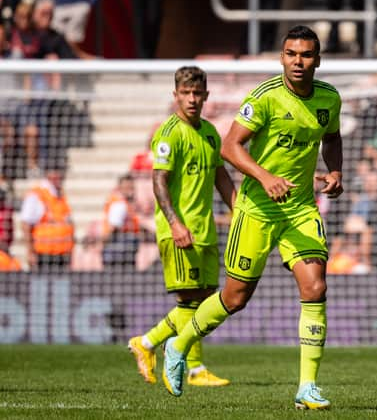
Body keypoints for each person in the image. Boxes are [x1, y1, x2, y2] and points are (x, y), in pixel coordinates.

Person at [161, 26, 343, 410]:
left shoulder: (329, 98)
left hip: (300, 209)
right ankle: (179, 345)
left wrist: (336, 170)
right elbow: (229, 146)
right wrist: (265, 177)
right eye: (291, 54)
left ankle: (306, 387)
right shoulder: (264, 98)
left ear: (318, 59)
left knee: (315, 288)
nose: (298, 61)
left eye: (306, 55)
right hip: (257, 209)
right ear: (282, 57)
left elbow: (333, 137)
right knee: (235, 297)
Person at [127, 66, 236, 388]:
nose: (191, 99)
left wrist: (239, 210)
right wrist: (175, 223)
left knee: (204, 301)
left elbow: (220, 176)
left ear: (206, 96)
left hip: (204, 229)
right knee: (190, 302)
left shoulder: (210, 133)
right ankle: (195, 368)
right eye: (185, 93)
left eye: (196, 93)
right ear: (176, 96)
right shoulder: (170, 132)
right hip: (180, 230)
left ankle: (146, 343)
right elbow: (158, 181)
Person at [19, 159, 74, 271]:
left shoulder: (59, 196)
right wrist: (30, 252)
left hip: (62, 255)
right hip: (44, 254)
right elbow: (26, 224)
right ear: (50, 174)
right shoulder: (38, 195)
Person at [101, 173, 144, 269]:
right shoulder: (119, 204)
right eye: (127, 188)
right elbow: (113, 227)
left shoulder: (127, 204)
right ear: (120, 188)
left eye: (132, 188)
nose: (131, 191)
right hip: (119, 253)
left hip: (122, 251)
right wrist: (103, 244)